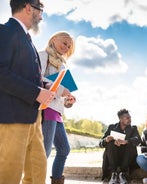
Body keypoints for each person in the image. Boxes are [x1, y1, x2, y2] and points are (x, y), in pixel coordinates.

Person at [0, 0, 55, 183]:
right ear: (28, 7)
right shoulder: (5, 32)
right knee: (9, 175)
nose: (41, 15)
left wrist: (46, 88)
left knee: (38, 174)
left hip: (34, 120)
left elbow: (25, 76)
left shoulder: (28, 40)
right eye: (40, 10)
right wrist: (36, 93)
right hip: (11, 119)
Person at [39, 31, 76, 183]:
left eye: (69, 46)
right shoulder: (43, 56)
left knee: (64, 149)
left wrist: (68, 100)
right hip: (46, 109)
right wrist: (61, 90)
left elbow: (62, 98)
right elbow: (37, 78)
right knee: (44, 152)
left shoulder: (62, 66)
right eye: (64, 42)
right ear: (53, 39)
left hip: (57, 112)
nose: (66, 47)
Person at [99, 109, 142, 184]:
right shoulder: (111, 127)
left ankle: (123, 174)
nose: (130, 119)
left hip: (127, 157)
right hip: (113, 156)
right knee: (110, 143)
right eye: (127, 118)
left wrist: (126, 141)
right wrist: (106, 140)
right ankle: (114, 174)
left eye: (130, 117)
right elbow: (100, 143)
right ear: (121, 119)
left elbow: (138, 140)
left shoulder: (133, 128)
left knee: (130, 143)